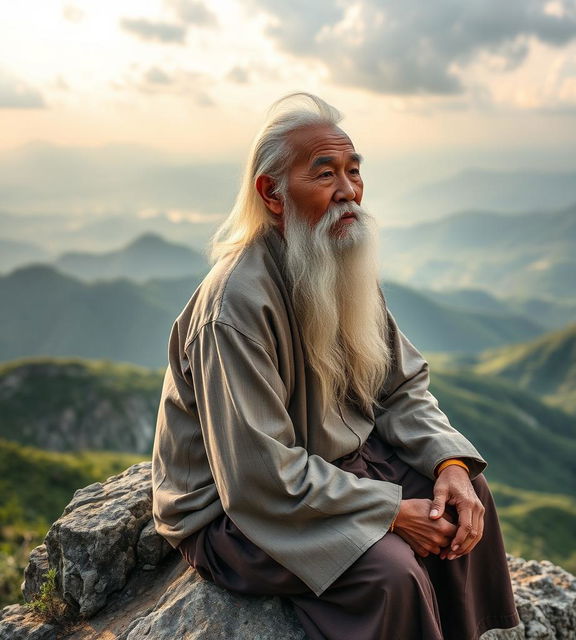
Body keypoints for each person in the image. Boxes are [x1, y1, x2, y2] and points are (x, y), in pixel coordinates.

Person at [151, 92, 519, 639]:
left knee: (464, 503)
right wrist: (391, 510)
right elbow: (258, 479)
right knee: (390, 576)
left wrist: (450, 467)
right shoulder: (235, 309)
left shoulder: (337, 257)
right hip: (238, 514)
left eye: (353, 171)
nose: (349, 191)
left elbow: (399, 388)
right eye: (325, 175)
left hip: (329, 469)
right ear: (271, 193)